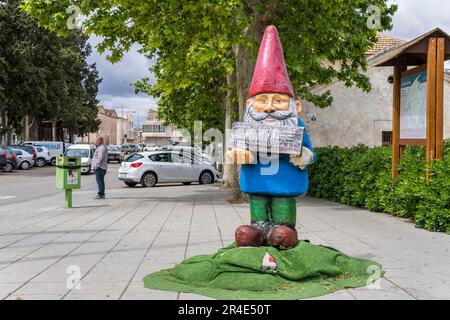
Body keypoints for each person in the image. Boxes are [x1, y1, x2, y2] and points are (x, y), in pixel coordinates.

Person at [227, 25, 315, 249]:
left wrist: (305, 155)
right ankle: (257, 229)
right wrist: (237, 154)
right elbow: (236, 149)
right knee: (255, 213)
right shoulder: (247, 128)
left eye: (277, 101)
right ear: (249, 105)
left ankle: (285, 229)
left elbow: (310, 152)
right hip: (257, 183)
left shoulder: (298, 126)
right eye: (262, 100)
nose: (268, 108)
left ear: (295, 106)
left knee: (282, 220)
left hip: (284, 184)